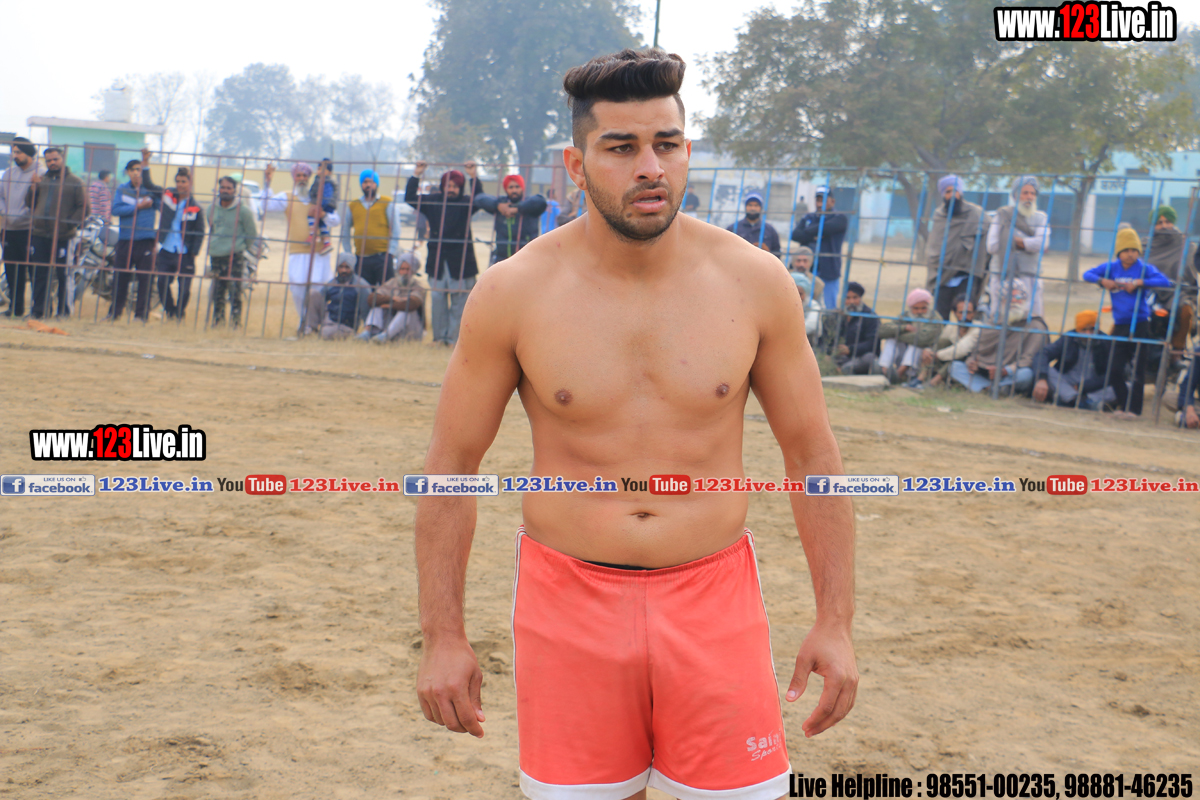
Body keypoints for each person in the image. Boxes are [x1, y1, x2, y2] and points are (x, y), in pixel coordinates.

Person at [415, 48, 857, 800]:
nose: (650, 168)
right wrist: (443, 636)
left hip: (714, 600)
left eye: (667, 144)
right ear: (577, 164)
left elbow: (812, 455)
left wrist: (836, 621)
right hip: (567, 606)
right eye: (621, 148)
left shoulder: (754, 283)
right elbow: (451, 465)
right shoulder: (514, 293)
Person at [1082, 227, 1171, 418]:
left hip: (1140, 323)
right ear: (1119, 252)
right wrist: (1102, 281)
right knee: (1114, 368)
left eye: (1134, 250)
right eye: (1126, 250)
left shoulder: (1144, 268)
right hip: (1120, 324)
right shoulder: (1111, 267)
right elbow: (1086, 274)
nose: (1130, 254)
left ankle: (1134, 410)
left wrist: (1139, 283)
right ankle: (1123, 404)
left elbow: (1165, 281)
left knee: (1138, 368)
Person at [405, 160, 484, 345]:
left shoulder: (466, 203)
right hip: (438, 260)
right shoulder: (433, 201)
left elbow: (479, 200)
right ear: (442, 186)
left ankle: (454, 340)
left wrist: (473, 176)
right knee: (438, 300)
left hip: (461, 261)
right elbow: (410, 198)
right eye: (448, 185)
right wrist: (416, 174)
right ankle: (439, 338)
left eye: (455, 186)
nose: (451, 189)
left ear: (460, 188)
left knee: (459, 302)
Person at [261, 161, 339, 328]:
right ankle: (304, 323)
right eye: (299, 175)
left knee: (319, 289)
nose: (302, 178)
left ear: (309, 177)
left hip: (319, 253)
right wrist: (267, 183)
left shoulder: (319, 196)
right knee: (297, 289)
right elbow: (265, 206)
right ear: (294, 177)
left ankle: (319, 323)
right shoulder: (287, 196)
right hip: (298, 253)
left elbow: (335, 220)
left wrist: (323, 214)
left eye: (305, 175)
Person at [26, 147, 86, 318]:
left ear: (63, 159)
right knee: (39, 274)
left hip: (63, 237)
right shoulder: (42, 180)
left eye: (55, 159)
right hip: (40, 234)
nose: (52, 163)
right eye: (48, 160)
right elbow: (30, 204)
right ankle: (40, 311)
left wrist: (67, 225)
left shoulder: (75, 182)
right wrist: (33, 188)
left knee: (63, 274)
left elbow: (83, 208)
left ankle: (64, 311)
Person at [986, 176, 1049, 322]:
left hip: (1030, 275)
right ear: (1015, 195)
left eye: (1033, 193)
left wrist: (1010, 240)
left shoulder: (1040, 218)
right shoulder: (1002, 215)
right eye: (1025, 193)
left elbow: (1042, 244)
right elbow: (992, 246)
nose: (1029, 197)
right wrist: (1027, 243)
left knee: (1032, 318)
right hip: (1001, 276)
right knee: (999, 318)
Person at [107, 152, 161, 321]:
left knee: (145, 279)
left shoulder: (150, 190)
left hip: (145, 240)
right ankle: (114, 313)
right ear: (128, 172)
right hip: (125, 239)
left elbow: (162, 208)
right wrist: (138, 206)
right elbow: (115, 210)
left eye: (139, 169)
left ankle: (141, 315)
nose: (136, 173)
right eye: (133, 170)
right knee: (120, 277)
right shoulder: (122, 189)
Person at [926, 174, 985, 320]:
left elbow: (988, 235)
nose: (952, 195)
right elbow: (934, 246)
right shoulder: (939, 215)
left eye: (955, 191)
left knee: (965, 316)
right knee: (940, 318)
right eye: (948, 192)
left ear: (961, 192)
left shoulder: (975, 213)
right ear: (943, 195)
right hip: (943, 276)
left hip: (966, 274)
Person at [1030, 310, 1115, 409]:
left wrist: (1084, 386)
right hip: (1066, 383)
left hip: (1093, 388)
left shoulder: (1106, 342)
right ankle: (1075, 400)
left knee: (1125, 386)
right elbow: (1043, 354)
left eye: (1092, 329)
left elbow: (1113, 372)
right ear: (1077, 329)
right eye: (1084, 330)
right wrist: (1041, 379)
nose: (1088, 334)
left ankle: (1082, 400)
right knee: (1047, 370)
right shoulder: (1068, 338)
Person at [1143, 205, 1196, 363]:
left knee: (1185, 310)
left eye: (1167, 222)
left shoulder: (1186, 246)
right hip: (1148, 291)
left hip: (1176, 292)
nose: (1164, 226)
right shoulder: (1143, 246)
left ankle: (1176, 352)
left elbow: (1190, 276)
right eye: (1159, 223)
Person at [1, 137, 45, 317]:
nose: (15, 156)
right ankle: (15, 308)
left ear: (29, 153)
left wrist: (21, 216)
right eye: (13, 152)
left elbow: (40, 202)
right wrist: (5, 213)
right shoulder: (8, 174)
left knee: (34, 272)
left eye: (18, 152)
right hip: (9, 229)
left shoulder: (41, 173)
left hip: (30, 230)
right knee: (12, 271)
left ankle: (38, 310)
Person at [154, 167, 205, 319]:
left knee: (185, 288)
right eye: (178, 181)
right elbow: (150, 185)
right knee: (162, 282)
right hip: (167, 249)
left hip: (185, 252)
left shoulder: (196, 207)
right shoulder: (169, 199)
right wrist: (145, 165)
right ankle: (170, 311)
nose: (180, 185)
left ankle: (179, 313)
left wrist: (194, 252)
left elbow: (200, 231)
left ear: (190, 183)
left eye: (183, 181)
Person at [207, 175, 258, 328]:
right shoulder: (211, 209)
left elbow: (251, 233)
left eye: (229, 188)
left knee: (235, 290)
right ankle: (218, 322)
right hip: (216, 255)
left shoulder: (243, 211)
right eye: (222, 187)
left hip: (234, 256)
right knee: (217, 291)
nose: (225, 190)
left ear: (235, 191)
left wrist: (240, 246)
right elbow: (212, 229)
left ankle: (235, 323)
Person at [791, 186, 847, 309]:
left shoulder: (839, 218)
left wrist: (808, 231)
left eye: (824, 200)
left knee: (828, 308)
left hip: (828, 271)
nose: (820, 204)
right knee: (802, 305)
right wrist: (816, 233)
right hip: (808, 270)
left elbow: (826, 228)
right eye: (818, 200)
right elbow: (795, 235)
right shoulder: (809, 217)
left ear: (832, 201)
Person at [340, 168, 395, 286]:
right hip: (361, 259)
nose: (368, 185)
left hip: (382, 257)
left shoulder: (387, 203)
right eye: (365, 182)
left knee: (386, 291)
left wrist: (391, 252)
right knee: (364, 292)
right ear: (361, 184)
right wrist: (348, 253)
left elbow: (396, 229)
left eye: (372, 182)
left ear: (377, 184)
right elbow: (345, 230)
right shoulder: (353, 205)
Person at [875, 288, 940, 387]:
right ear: (910, 307)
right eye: (916, 308)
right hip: (904, 353)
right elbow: (882, 331)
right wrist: (904, 328)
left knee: (916, 343)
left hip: (923, 358)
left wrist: (898, 335)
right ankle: (883, 370)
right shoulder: (906, 315)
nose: (920, 311)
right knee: (891, 339)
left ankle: (899, 373)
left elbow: (923, 339)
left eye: (923, 308)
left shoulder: (934, 318)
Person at [477, 174, 547, 264]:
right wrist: (497, 205)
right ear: (506, 189)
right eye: (511, 187)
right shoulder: (501, 204)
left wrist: (518, 209)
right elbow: (479, 198)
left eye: (517, 187)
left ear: (522, 188)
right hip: (503, 259)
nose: (514, 190)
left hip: (527, 259)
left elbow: (541, 201)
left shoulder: (530, 205)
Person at [360, 251, 427, 342]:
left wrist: (388, 305)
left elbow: (410, 304)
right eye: (402, 269)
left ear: (414, 271)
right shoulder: (391, 282)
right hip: (389, 323)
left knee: (405, 311)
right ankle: (368, 332)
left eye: (408, 269)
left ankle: (385, 336)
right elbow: (371, 299)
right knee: (377, 307)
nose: (405, 272)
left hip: (411, 330)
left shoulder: (418, 286)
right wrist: (392, 298)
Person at [303, 251, 372, 339]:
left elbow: (366, 311)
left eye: (347, 267)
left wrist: (367, 332)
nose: (343, 270)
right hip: (329, 318)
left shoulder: (361, 286)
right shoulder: (333, 283)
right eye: (341, 267)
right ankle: (311, 328)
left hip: (346, 325)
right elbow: (320, 298)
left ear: (352, 268)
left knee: (326, 333)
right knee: (312, 293)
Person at [922, 294, 979, 387]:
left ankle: (934, 382)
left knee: (957, 355)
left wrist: (936, 355)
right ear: (954, 313)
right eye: (961, 312)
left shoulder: (978, 328)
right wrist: (929, 351)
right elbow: (939, 344)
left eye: (968, 313)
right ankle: (921, 377)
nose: (964, 316)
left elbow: (961, 350)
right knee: (942, 343)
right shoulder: (951, 326)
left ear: (974, 313)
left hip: (966, 364)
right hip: (945, 361)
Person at [833, 281, 879, 375]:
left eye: (855, 297)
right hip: (839, 356)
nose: (852, 302)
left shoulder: (870, 316)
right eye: (848, 298)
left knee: (869, 358)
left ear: (860, 298)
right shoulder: (837, 315)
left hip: (860, 357)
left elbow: (872, 343)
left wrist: (850, 349)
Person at [727, 192, 780, 256]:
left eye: (756, 205)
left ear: (760, 208)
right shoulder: (733, 228)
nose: (753, 208)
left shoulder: (770, 230)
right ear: (745, 207)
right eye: (750, 205)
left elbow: (777, 253)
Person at [308, 158, 338, 254]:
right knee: (322, 224)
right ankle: (327, 243)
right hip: (324, 204)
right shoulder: (319, 179)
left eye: (323, 170)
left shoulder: (327, 181)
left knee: (310, 215)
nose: (320, 171)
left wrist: (320, 206)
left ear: (329, 172)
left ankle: (313, 235)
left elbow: (326, 195)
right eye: (319, 169)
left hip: (325, 204)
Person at [792, 271, 822, 345]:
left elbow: (811, 325)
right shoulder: (784, 304)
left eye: (800, 294)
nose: (797, 297)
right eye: (793, 293)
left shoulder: (813, 305)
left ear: (806, 293)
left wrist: (790, 332)